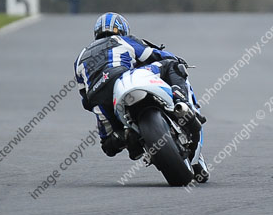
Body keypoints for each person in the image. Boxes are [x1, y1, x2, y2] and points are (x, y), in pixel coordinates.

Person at [74, 12, 208, 181]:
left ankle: (126, 137)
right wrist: (178, 60)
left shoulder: (80, 57)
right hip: (121, 78)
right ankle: (182, 103)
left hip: (98, 100)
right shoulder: (122, 40)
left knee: (109, 145)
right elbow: (155, 55)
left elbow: (85, 99)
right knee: (172, 65)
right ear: (122, 29)